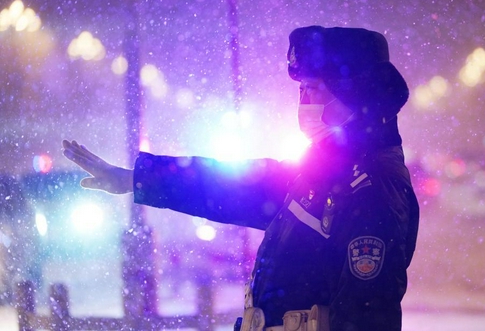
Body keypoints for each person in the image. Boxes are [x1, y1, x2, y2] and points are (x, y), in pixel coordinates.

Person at [62, 26, 419, 331]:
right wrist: (136, 179)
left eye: (313, 90)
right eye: (300, 91)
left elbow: (368, 315)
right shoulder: (324, 172)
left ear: (355, 96)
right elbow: (233, 186)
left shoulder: (370, 187)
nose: (304, 102)